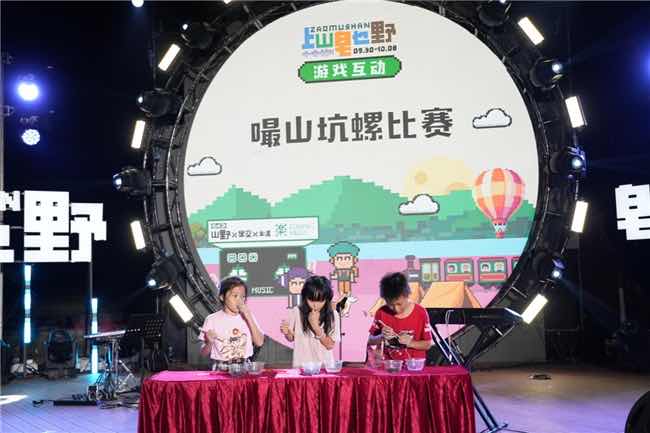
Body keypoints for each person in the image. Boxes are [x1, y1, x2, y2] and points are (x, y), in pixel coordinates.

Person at [199, 277, 265, 369]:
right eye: (235, 296)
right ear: (222, 297)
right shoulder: (211, 319)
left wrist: (249, 317)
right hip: (221, 369)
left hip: (244, 367)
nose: (239, 301)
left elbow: (259, 342)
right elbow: (203, 353)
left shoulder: (248, 316)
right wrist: (209, 342)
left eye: (243, 297)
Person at [367, 272, 434, 361]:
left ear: (407, 296)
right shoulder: (381, 312)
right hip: (390, 365)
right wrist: (381, 337)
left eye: (399, 304)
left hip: (414, 365)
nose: (396, 309)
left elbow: (428, 344)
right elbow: (370, 340)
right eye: (390, 305)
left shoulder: (420, 313)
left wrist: (410, 343)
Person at [280, 276, 341, 367]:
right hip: (301, 366)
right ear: (305, 297)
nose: (315, 305)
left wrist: (315, 326)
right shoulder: (297, 311)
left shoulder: (333, 315)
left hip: (325, 366)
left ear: (327, 299)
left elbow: (330, 345)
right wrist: (287, 333)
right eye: (311, 300)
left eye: (320, 301)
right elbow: (291, 338)